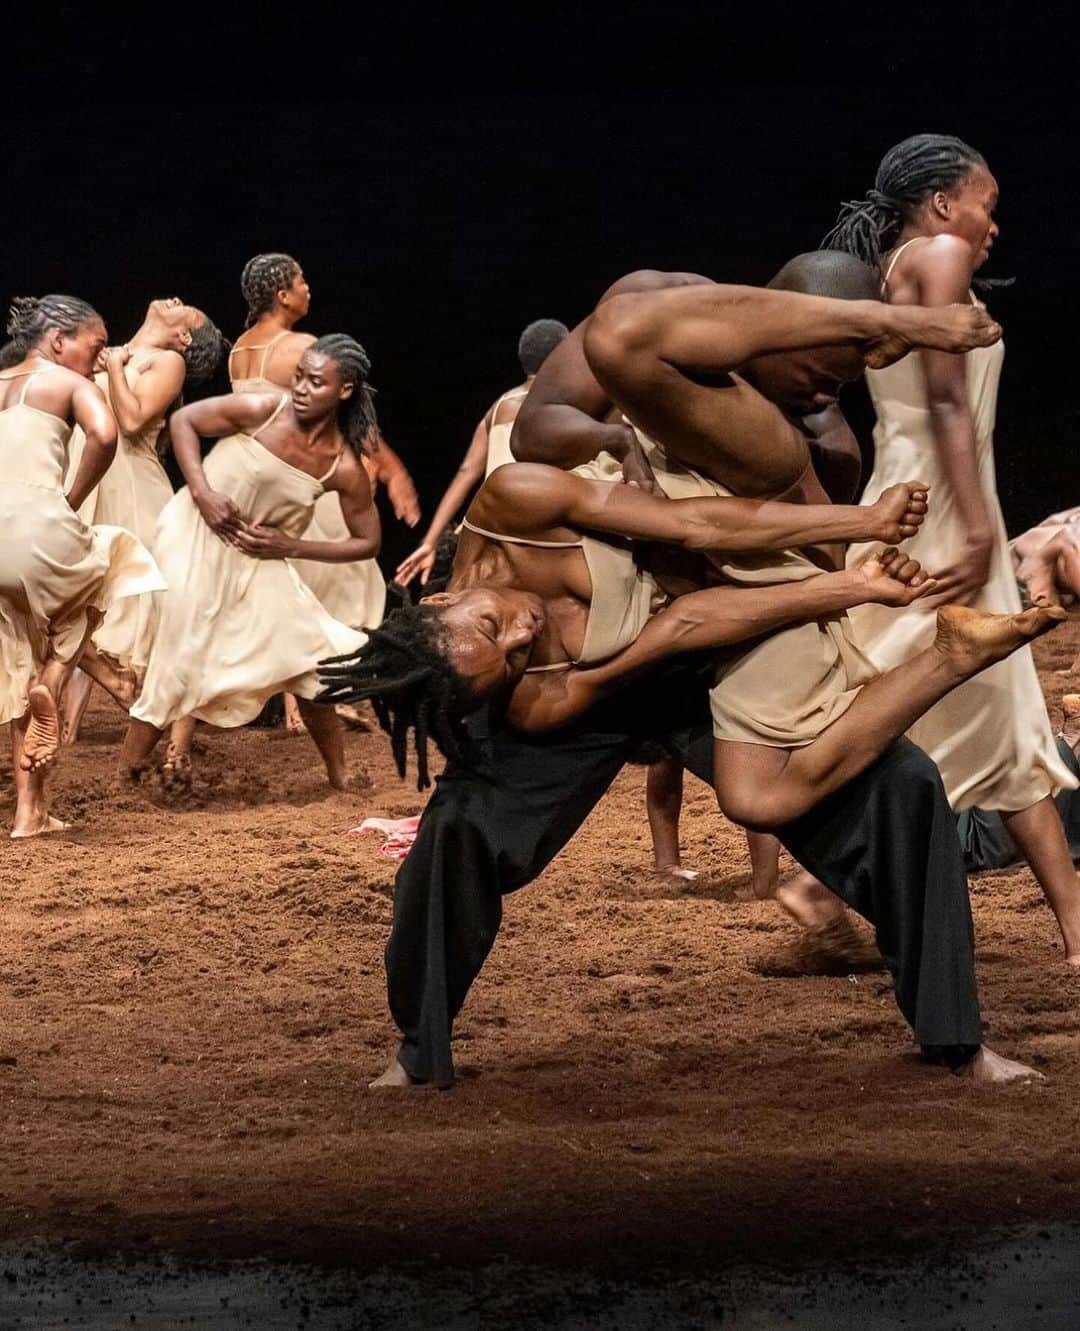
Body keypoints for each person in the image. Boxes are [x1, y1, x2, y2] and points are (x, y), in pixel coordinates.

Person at [321, 261, 1051, 1089]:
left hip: (714, 640)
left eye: (495, 621)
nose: (521, 628)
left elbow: (698, 534)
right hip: (639, 663)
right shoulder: (523, 688)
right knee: (457, 829)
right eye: (510, 650)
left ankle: (956, 1039)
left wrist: (856, 534)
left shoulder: (544, 487)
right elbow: (671, 627)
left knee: (902, 786)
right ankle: (420, 1051)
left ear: (451, 592)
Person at [822, 132, 1080, 964]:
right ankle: (813, 878)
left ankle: (1077, 925)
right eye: (985, 203)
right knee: (902, 683)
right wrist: (976, 524)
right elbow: (944, 404)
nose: (991, 223)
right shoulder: (935, 252)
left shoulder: (905, 261)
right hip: (939, 500)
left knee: (1002, 707)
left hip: (940, 491)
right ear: (941, 204)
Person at [119, 335, 380, 790]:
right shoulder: (265, 410)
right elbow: (184, 420)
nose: (300, 388)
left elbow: (367, 541)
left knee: (315, 657)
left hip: (257, 559)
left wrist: (289, 546)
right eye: (299, 376)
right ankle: (125, 779)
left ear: (344, 390)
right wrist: (202, 491)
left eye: (315, 382)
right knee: (179, 660)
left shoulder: (342, 467)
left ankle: (339, 775)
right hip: (194, 536)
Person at [0, 295, 164, 837]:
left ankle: (31, 813)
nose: (99, 359)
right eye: (94, 347)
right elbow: (106, 433)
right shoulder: (67, 384)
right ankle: (56, 678)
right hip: (39, 529)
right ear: (57, 342)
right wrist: (71, 499)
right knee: (116, 559)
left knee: (20, 654)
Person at [230, 252, 409, 731]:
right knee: (349, 579)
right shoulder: (298, 347)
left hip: (262, 480)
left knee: (299, 586)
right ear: (283, 295)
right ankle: (329, 690)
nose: (309, 288)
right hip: (304, 478)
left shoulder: (240, 349)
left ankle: (299, 702)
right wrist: (392, 470)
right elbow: (349, 413)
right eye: (302, 281)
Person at [61, 297, 228, 742]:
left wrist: (114, 368)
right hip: (91, 478)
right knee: (84, 598)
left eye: (188, 309)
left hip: (130, 486)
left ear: (185, 336)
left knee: (137, 606)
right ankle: (73, 722)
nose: (176, 300)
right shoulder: (112, 353)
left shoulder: (167, 361)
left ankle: (173, 733)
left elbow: (132, 421)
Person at [395, 319, 569, 589]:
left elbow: (467, 471)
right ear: (563, 356)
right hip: (530, 534)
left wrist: (430, 541)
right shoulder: (557, 404)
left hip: (483, 533)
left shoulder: (498, 406)